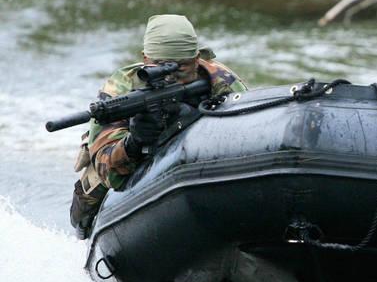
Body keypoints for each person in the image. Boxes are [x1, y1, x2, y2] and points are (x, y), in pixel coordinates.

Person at [69, 14, 248, 237]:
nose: (171, 77)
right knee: (90, 197)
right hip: (126, 169)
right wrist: (134, 142)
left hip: (199, 164)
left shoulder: (220, 80)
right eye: (161, 67)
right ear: (145, 59)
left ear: (196, 58)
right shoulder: (122, 88)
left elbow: (247, 135)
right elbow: (109, 173)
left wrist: (193, 119)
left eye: (181, 67)